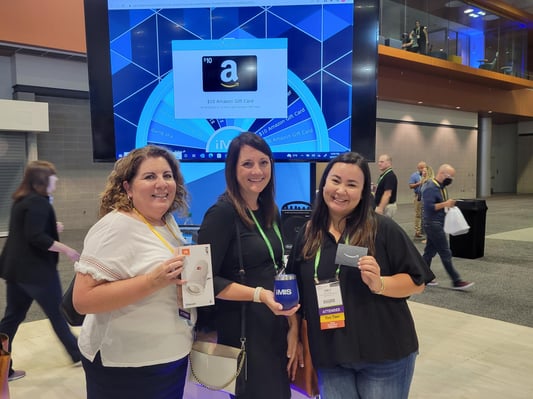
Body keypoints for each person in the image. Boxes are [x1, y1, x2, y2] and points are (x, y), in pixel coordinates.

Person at [286, 152, 434, 399]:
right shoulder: (309, 233)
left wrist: (380, 283)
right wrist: (293, 331)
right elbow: (297, 289)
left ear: (364, 191)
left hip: (384, 354)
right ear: (323, 184)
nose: (341, 190)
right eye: (335, 180)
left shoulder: (381, 229)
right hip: (330, 355)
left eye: (352, 184)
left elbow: (417, 282)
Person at [72, 145, 194, 399]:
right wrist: (152, 281)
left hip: (169, 357)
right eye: (150, 177)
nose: (161, 183)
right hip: (126, 366)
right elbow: (82, 301)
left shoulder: (166, 222)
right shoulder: (115, 227)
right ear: (127, 187)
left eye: (167, 175)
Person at [197, 132, 300, 399]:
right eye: (247, 164)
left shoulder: (270, 210)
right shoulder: (222, 214)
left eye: (264, 163)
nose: (258, 171)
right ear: (232, 169)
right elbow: (202, 282)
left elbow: (277, 270)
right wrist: (258, 294)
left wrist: (293, 326)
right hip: (244, 331)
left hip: (274, 325)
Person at [0, 160, 81, 382]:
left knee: (11, 319)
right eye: (53, 177)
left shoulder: (22, 199)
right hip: (37, 272)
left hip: (16, 270)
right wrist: (67, 249)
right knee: (57, 314)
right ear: (43, 180)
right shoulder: (39, 202)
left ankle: (2, 368)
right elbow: (35, 237)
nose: (56, 180)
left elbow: (27, 229)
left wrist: (51, 227)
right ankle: (77, 354)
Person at [421, 163, 474, 289]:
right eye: (450, 176)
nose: (452, 179)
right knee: (445, 252)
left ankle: (423, 276)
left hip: (437, 222)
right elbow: (429, 207)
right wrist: (446, 204)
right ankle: (456, 280)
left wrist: (447, 205)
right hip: (433, 223)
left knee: (429, 252)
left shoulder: (441, 187)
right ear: (442, 174)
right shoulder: (430, 187)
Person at [374, 154, 398, 218]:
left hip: (386, 207)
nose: (379, 164)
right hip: (383, 206)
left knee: (382, 227)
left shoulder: (390, 176)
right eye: (379, 162)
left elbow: (387, 194)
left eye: (382, 162)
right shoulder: (384, 175)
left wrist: (380, 208)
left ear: (389, 163)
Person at [409, 161, 427, 239]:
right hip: (418, 197)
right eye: (422, 168)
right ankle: (417, 231)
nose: (423, 169)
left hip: (427, 197)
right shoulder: (414, 176)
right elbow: (410, 186)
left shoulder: (428, 176)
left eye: (425, 167)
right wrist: (419, 183)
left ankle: (426, 230)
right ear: (418, 168)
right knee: (418, 214)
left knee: (427, 214)